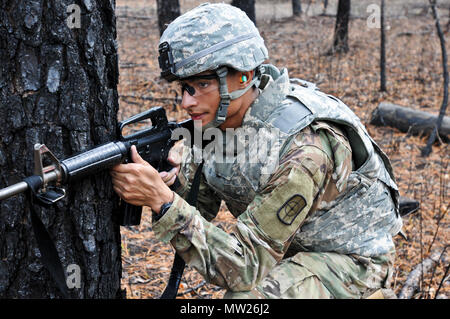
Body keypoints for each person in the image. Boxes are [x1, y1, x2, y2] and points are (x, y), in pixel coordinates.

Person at [110, 3, 403, 299]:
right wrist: (170, 182)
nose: (186, 102)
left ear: (244, 75)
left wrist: (163, 201)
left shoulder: (305, 147)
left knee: (246, 302)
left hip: (352, 267)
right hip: (286, 252)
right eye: (185, 87)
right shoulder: (217, 124)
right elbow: (199, 209)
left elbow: (243, 267)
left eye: (202, 84)